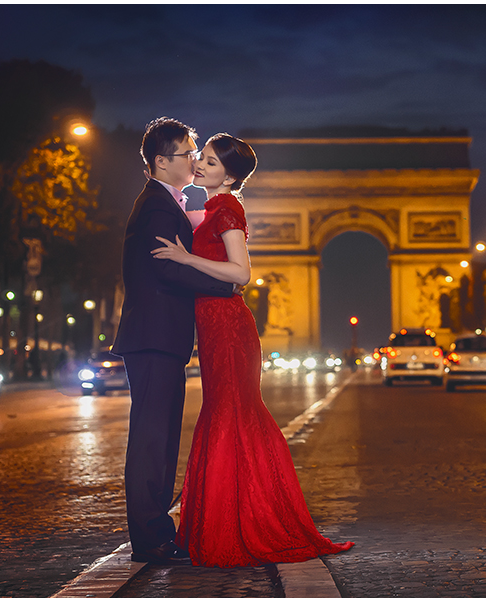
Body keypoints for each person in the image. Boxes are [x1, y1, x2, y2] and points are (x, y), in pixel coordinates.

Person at [151, 133, 353, 567]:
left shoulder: (226, 207)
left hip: (226, 326)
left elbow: (241, 272)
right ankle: (236, 515)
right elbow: (180, 213)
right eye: (199, 158)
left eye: (209, 161)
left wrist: (186, 259)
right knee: (232, 414)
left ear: (230, 174)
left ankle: (236, 522)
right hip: (215, 325)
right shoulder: (212, 208)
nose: (199, 165)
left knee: (229, 414)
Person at [111, 117, 236, 565]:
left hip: (159, 338)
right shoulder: (160, 207)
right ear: (162, 162)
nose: (194, 161)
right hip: (155, 338)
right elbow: (167, 267)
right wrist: (228, 286)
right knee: (151, 439)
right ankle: (150, 539)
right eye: (188, 154)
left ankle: (157, 532)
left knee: (160, 438)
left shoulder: (164, 203)